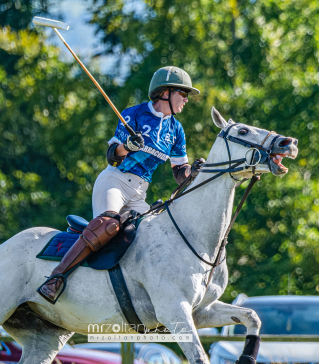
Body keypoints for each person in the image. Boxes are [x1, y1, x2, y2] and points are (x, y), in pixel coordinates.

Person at [37, 66, 205, 304]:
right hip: (114, 181)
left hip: (139, 192)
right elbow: (112, 156)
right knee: (108, 225)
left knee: (152, 236)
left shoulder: (176, 130)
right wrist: (127, 146)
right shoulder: (134, 114)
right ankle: (55, 278)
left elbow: (180, 172)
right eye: (183, 93)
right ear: (165, 92)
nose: (187, 99)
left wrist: (194, 173)